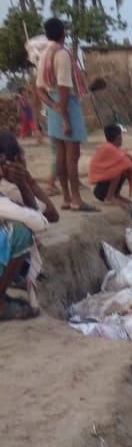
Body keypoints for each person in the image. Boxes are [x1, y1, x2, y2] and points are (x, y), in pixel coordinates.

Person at [34, 17, 97, 212]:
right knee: (72, 155)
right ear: (63, 32)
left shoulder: (44, 55)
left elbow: (39, 89)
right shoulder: (62, 54)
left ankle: (67, 198)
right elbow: (63, 86)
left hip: (54, 108)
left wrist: (52, 106)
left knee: (61, 155)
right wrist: (65, 117)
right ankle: (76, 199)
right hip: (66, 105)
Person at [0, 131, 59, 320]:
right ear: (13, 160)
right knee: (20, 234)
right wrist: (27, 183)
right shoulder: (8, 188)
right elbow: (44, 219)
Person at [88, 124, 132, 208]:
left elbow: (126, 158)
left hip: (103, 185)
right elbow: (131, 167)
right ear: (119, 138)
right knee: (120, 168)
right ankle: (110, 197)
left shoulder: (109, 147)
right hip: (101, 189)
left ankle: (115, 195)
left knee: (121, 168)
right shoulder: (110, 149)